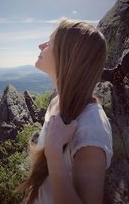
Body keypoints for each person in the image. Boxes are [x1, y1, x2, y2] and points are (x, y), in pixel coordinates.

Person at [15, 19, 113, 204]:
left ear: (67, 56)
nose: (40, 45)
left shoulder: (92, 129)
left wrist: (54, 154)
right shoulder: (56, 103)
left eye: (50, 43)